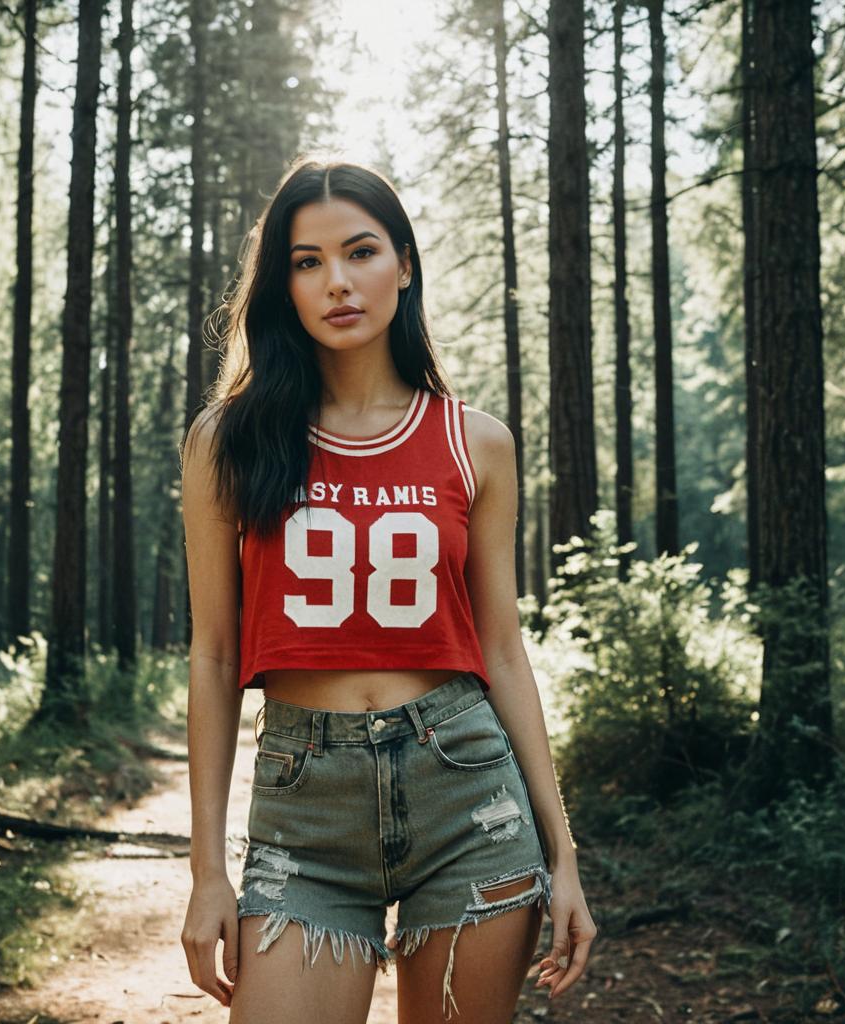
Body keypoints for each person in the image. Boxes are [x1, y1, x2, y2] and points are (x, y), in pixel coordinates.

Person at [179, 153, 596, 1023]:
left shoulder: (475, 443)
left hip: (468, 798)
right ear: (284, 285)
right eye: (308, 261)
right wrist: (207, 870)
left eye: (361, 251)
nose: (337, 281)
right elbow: (214, 656)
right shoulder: (230, 441)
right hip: (304, 814)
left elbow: (503, 652)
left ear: (404, 265)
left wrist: (564, 855)